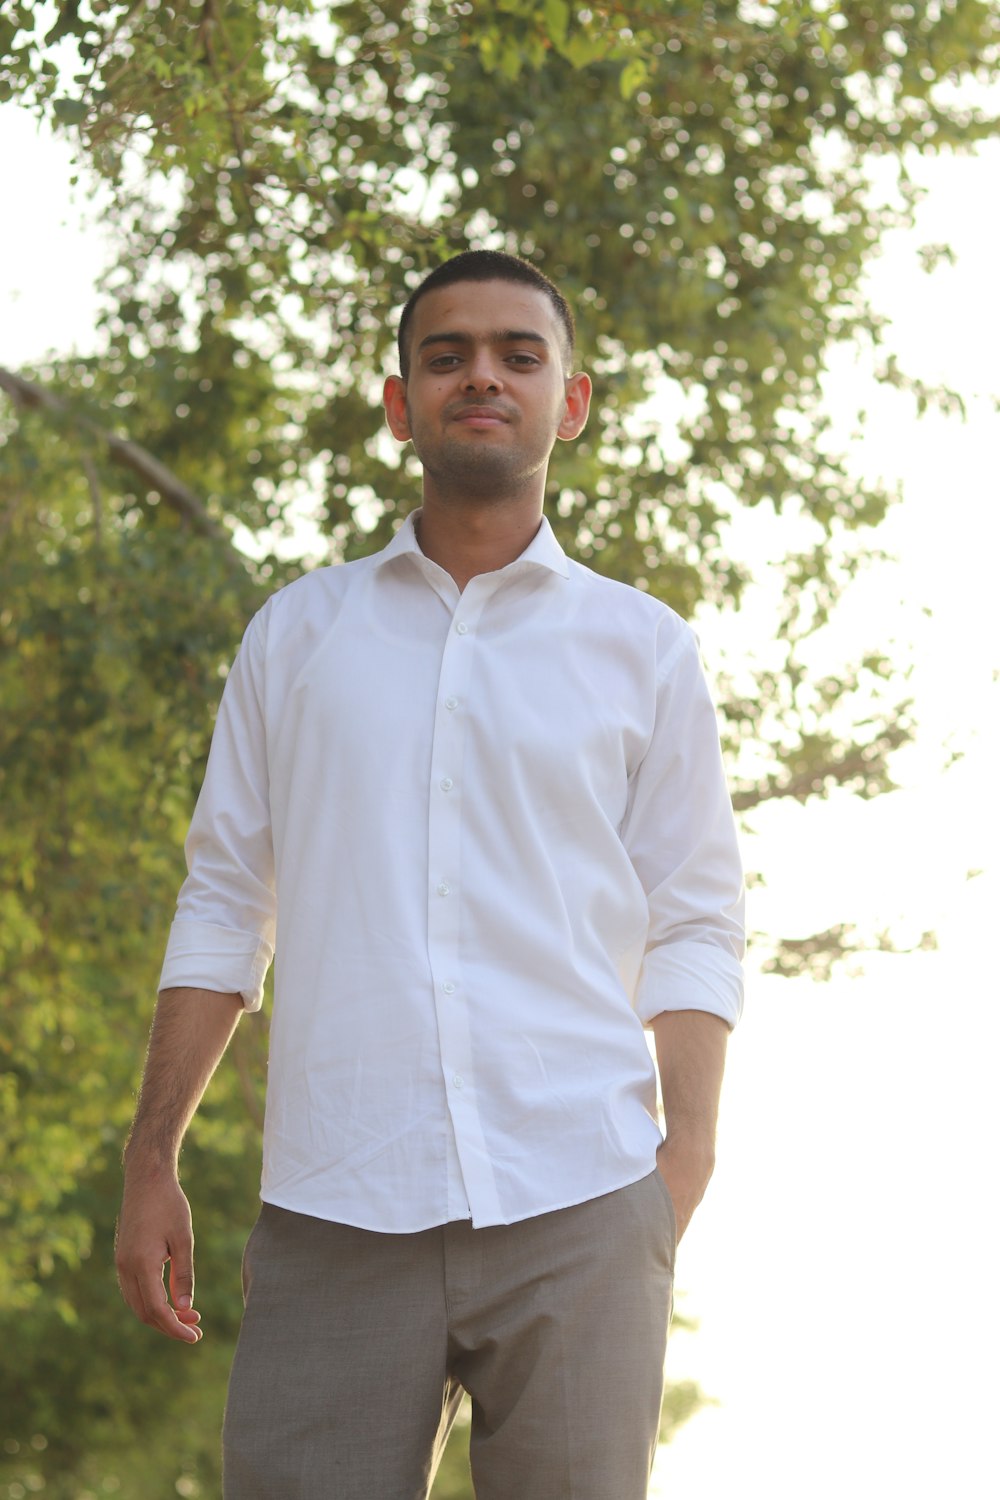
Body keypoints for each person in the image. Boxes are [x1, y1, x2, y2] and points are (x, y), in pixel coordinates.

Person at [115, 249, 745, 1500]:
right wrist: (152, 1160)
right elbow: (227, 904)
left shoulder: (644, 650)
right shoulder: (295, 636)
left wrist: (687, 1158)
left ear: (569, 400)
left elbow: (695, 916)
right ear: (400, 402)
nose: (482, 377)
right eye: (447, 354)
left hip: (582, 1194)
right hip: (334, 1204)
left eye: (519, 354)